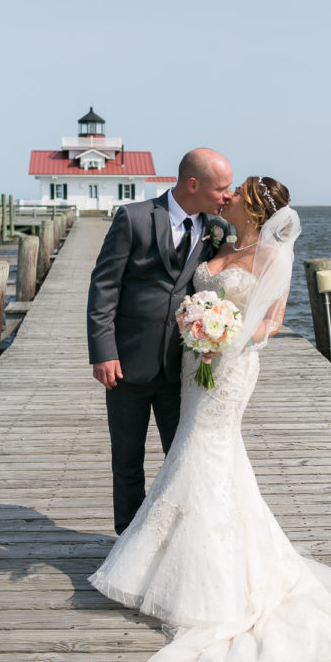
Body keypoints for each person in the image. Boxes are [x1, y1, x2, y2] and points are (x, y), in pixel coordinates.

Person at [88, 177, 331, 662]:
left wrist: (226, 338)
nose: (227, 195)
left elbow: (272, 320)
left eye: (237, 191)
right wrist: (201, 329)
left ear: (253, 208)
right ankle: (169, 559)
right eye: (224, 188)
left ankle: (202, 580)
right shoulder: (218, 239)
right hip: (192, 364)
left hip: (228, 366)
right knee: (192, 455)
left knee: (204, 452)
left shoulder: (273, 255)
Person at [87, 147, 233, 535]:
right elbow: (104, 287)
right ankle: (127, 539)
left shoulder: (218, 229)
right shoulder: (133, 218)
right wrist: (103, 352)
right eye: (221, 187)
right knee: (127, 459)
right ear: (193, 184)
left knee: (181, 459)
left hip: (182, 366)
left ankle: (176, 537)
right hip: (126, 363)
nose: (227, 195)